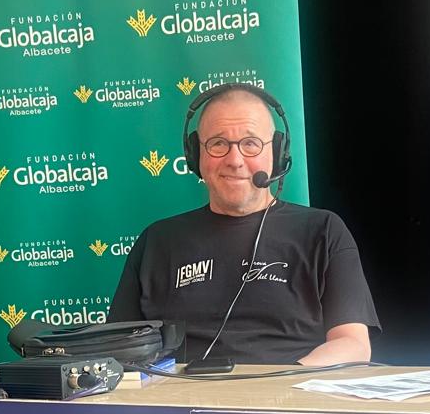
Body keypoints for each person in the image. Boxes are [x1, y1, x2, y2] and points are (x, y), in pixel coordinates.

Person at [109, 84, 380, 365]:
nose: (235, 160)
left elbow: (353, 344)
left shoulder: (323, 231)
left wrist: (278, 387)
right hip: (180, 402)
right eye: (217, 144)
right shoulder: (157, 241)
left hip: (288, 398)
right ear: (194, 154)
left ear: (277, 151)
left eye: (251, 143)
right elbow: (119, 349)